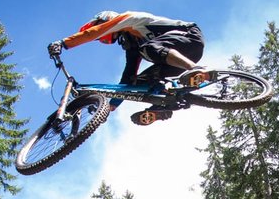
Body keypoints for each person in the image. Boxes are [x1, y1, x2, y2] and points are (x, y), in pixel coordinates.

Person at [48, 10, 216, 127]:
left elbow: (96, 31)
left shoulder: (129, 19)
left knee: (149, 48)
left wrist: (63, 43)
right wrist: (111, 106)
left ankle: (196, 69)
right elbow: (128, 77)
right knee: (139, 82)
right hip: (176, 55)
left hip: (189, 37)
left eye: (102, 38)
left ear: (107, 19)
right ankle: (162, 107)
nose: (102, 40)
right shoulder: (134, 44)